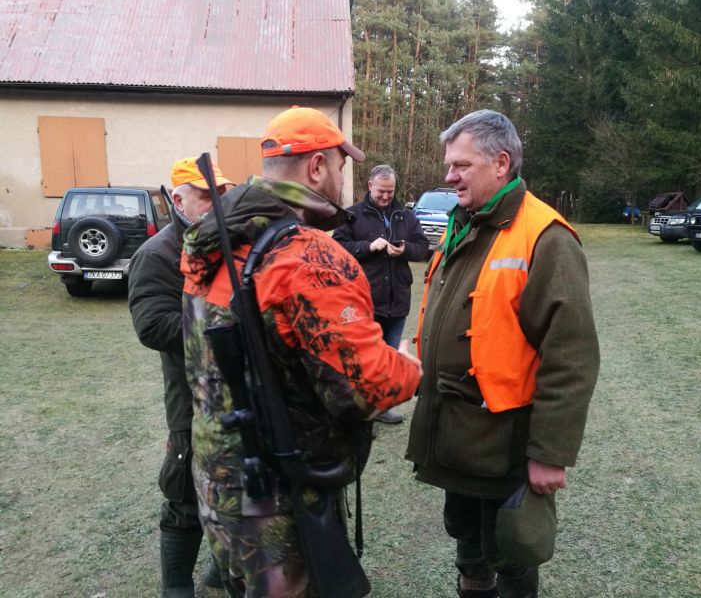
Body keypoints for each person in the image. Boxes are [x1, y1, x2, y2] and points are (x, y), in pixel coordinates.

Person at [180, 106, 422, 597]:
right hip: (281, 493)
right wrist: (411, 367)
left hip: (220, 479)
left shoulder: (213, 241)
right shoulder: (307, 256)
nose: (341, 178)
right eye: (340, 165)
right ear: (316, 167)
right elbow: (367, 387)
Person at [405, 110, 600, 598]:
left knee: (512, 549)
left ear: (501, 163)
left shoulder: (545, 236)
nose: (450, 176)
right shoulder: (464, 223)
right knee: (469, 544)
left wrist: (550, 454)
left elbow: (571, 356)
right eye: (449, 166)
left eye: (461, 165)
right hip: (456, 433)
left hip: (505, 443)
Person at [128, 157, 232, 597]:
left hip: (235, 391)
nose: (215, 204)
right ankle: (176, 586)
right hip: (189, 395)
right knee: (185, 492)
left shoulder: (228, 242)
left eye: (221, 194)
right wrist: (224, 327)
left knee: (231, 485)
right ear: (178, 198)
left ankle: (219, 569)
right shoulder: (157, 254)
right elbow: (152, 326)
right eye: (205, 195)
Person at [332, 164, 429, 424]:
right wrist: (367, 246)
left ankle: (380, 408)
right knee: (362, 359)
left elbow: (423, 247)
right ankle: (360, 411)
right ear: (370, 186)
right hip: (365, 302)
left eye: (390, 191)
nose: (386, 196)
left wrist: (405, 249)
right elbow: (337, 247)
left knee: (388, 357)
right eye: (381, 191)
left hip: (397, 301)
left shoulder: (406, 216)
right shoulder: (352, 215)